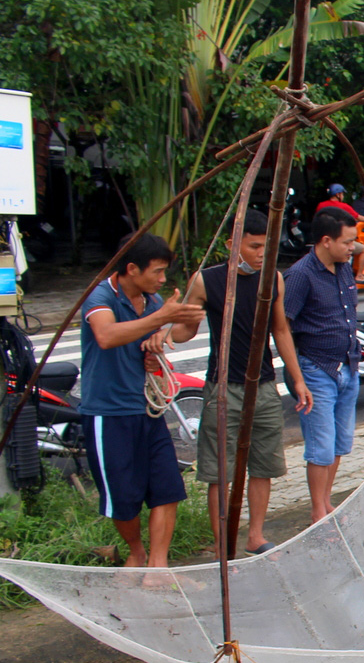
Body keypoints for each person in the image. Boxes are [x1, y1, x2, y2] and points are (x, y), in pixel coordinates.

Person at [164, 209, 314, 556]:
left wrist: (297, 378)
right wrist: (167, 330)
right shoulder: (207, 281)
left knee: (264, 464)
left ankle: (255, 535)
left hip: (262, 385)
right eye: (255, 246)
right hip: (223, 387)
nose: (261, 254)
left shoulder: (272, 279)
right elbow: (187, 328)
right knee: (221, 470)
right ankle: (223, 542)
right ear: (233, 244)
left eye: (267, 247)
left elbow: (280, 329)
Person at [79, 235, 205, 568]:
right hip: (108, 413)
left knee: (168, 487)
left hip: (147, 410)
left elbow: (172, 334)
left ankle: (158, 566)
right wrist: (161, 318)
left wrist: (187, 319)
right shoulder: (101, 296)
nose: (163, 280)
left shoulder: (151, 301)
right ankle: (137, 552)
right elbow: (106, 336)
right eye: (158, 272)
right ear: (132, 269)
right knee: (123, 499)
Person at [283, 211, 362, 523]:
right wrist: (297, 378)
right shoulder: (301, 276)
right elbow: (282, 328)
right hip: (316, 368)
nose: (352, 247)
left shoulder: (342, 267)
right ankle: (318, 513)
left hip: (348, 364)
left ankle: (326, 503)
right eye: (347, 241)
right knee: (321, 446)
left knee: (341, 442)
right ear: (325, 241)